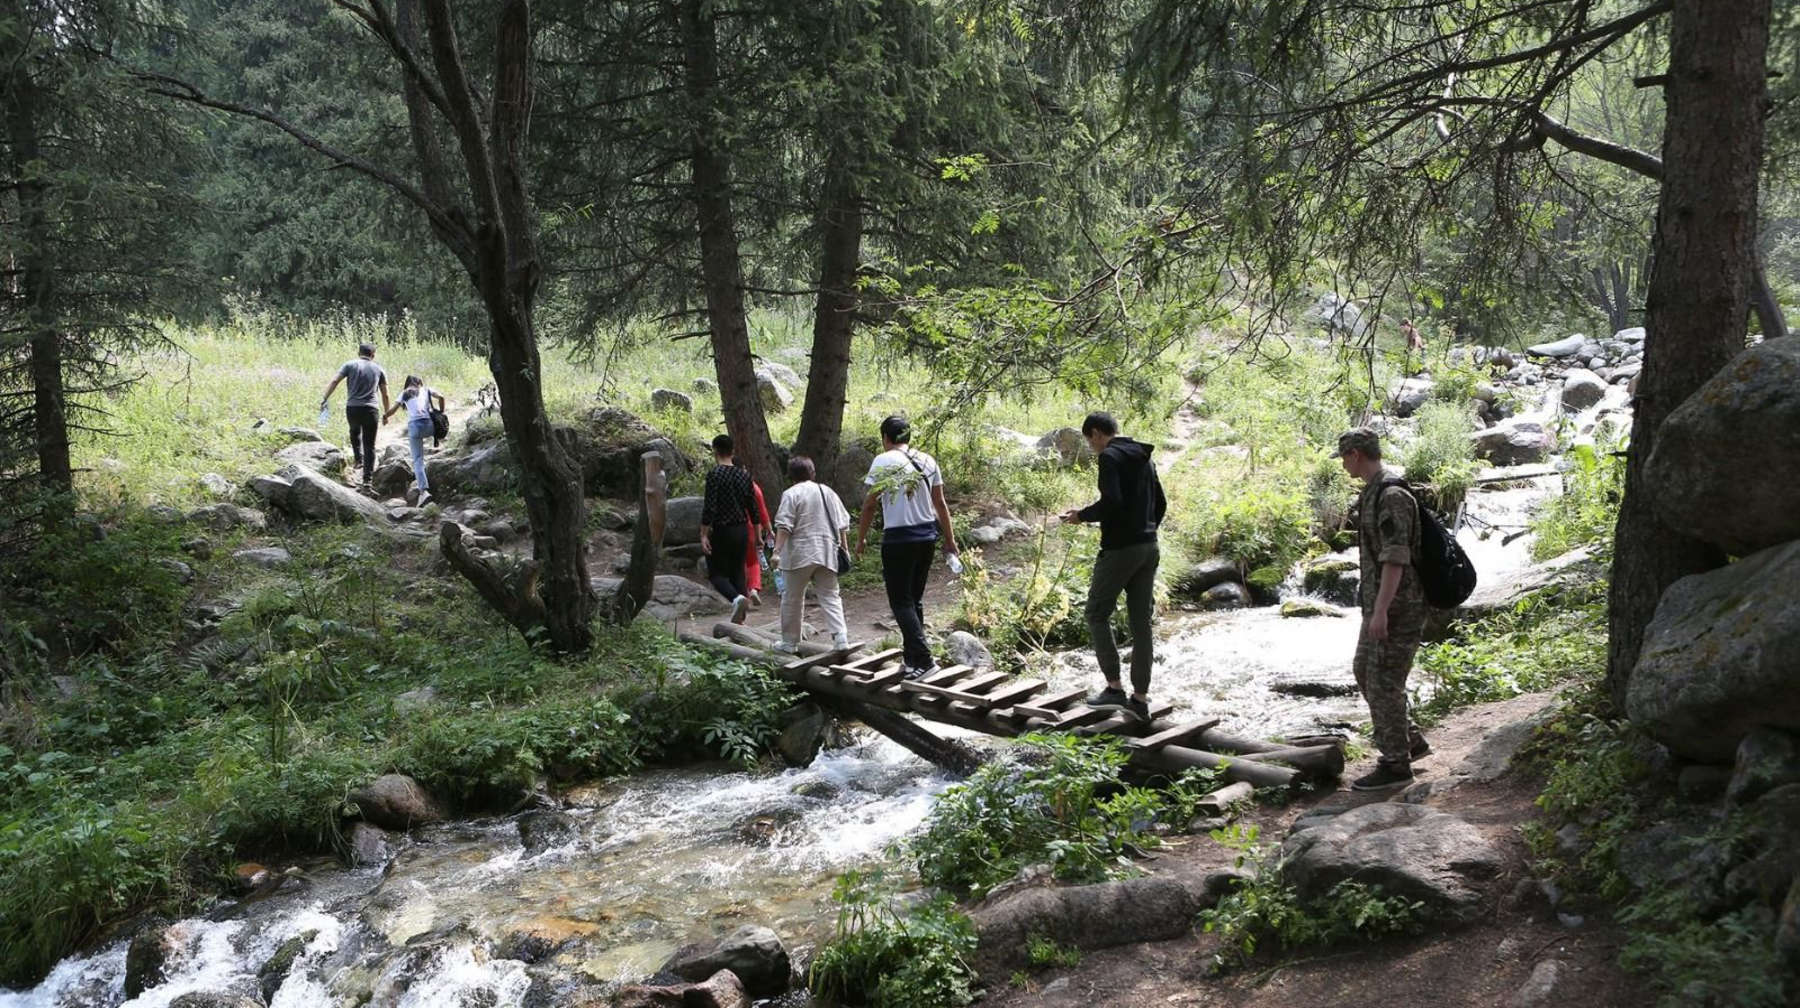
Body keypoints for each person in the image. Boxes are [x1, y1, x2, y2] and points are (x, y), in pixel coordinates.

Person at [1332, 426, 1433, 791]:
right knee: (1365, 670)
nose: (1343, 464)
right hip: (1380, 604)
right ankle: (1410, 742)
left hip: (1398, 606)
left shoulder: (1391, 494)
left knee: (1384, 681)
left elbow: (1396, 558)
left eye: (1344, 457)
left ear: (1356, 454)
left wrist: (1381, 611)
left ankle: (1396, 765)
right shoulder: (1374, 491)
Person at [1059, 412, 1166, 723]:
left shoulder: (1109, 457)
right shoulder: (1144, 457)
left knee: (1095, 613)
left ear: (1095, 434)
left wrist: (1080, 515)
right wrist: (1145, 531)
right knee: (1140, 622)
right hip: (1149, 546)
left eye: (1089, 441)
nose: (1091, 448)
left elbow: (1112, 503)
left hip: (1121, 550)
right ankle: (1140, 699)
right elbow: (1160, 503)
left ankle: (1114, 689)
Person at [855, 415, 959, 680]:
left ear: (886, 439)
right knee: (914, 600)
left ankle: (925, 660)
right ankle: (912, 659)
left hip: (899, 539)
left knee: (900, 601)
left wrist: (860, 537)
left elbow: (870, 503)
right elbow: (940, 504)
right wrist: (950, 539)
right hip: (927, 537)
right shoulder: (928, 460)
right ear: (908, 437)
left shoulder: (883, 460)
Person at [772, 455, 851, 653]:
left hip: (799, 554)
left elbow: (784, 526)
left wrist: (776, 552)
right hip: (827, 552)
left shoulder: (791, 494)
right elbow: (842, 524)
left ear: (790, 475)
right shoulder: (828, 492)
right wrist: (845, 549)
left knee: (792, 598)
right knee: (831, 595)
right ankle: (840, 638)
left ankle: (789, 643)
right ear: (812, 473)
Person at [700, 434, 757, 624]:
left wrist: (704, 535)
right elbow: (753, 507)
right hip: (742, 530)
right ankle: (741, 621)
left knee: (717, 575)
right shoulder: (744, 475)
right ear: (733, 451)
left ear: (714, 451)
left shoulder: (715, 475)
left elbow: (710, 507)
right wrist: (757, 535)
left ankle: (737, 599)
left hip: (723, 530)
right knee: (737, 573)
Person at [319, 342, 390, 489]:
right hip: (371, 409)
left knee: (354, 430)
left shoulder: (349, 365)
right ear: (373, 355)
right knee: (370, 444)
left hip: (352, 408)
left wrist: (324, 398)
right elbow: (385, 394)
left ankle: (358, 459)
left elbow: (334, 381)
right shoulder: (379, 369)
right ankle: (367, 481)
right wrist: (387, 414)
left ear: (359, 353)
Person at [383, 375, 445, 507]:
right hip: (430, 427)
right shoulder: (427, 390)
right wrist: (441, 412)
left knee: (417, 460)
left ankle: (423, 492)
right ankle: (437, 442)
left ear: (407, 384)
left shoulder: (404, 394)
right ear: (419, 383)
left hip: (415, 427)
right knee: (424, 448)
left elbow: (393, 410)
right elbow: (441, 397)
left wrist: (385, 416)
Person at [743, 470, 772, 608]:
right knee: (753, 562)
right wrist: (769, 530)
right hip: (753, 530)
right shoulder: (754, 487)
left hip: (733, 528)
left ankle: (741, 595)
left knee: (739, 563)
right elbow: (762, 512)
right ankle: (753, 589)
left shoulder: (729, 485)